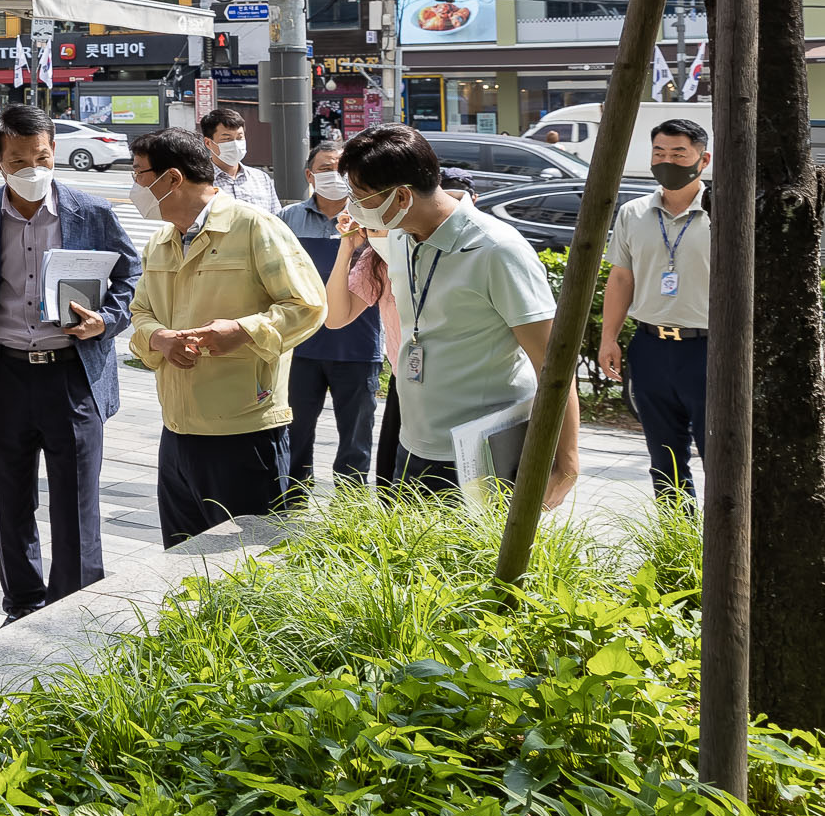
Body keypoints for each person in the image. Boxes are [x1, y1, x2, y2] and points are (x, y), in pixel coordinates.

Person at [0, 104, 139, 620]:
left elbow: (130, 276)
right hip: (4, 373)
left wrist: (107, 319)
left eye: (43, 157)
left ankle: (75, 610)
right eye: (21, 160)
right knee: (10, 500)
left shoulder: (89, 212)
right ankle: (23, 605)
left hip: (72, 374)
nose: (35, 169)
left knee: (76, 503)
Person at [321, 124, 579, 504]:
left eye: (360, 198)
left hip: (485, 452)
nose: (352, 209)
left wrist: (567, 462)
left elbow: (553, 362)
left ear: (402, 196)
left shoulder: (496, 249)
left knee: (477, 563)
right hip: (412, 442)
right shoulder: (400, 235)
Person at [126, 127, 327, 545]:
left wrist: (242, 330)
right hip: (178, 429)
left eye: (139, 173)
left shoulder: (254, 227)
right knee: (183, 561)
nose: (135, 185)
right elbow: (140, 312)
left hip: (244, 430)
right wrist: (158, 338)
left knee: (251, 569)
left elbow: (307, 306)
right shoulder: (162, 240)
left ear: (172, 179)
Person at [601, 117, 712, 498]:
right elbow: (621, 279)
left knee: (721, 456)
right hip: (650, 347)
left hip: (709, 350)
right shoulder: (633, 213)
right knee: (663, 458)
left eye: (679, 154)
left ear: (704, 160)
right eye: (659, 153)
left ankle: (726, 549)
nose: (668, 161)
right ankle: (676, 541)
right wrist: (609, 338)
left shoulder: (725, 212)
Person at [276, 143, 386, 498]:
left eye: (341, 169)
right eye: (325, 168)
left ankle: (350, 506)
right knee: (295, 428)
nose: (334, 176)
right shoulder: (288, 219)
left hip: (357, 346)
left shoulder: (372, 219)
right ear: (310, 176)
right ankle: (292, 499)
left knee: (356, 435)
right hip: (301, 346)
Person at [199, 106, 280, 214]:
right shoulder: (198, 181)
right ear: (208, 143)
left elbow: (276, 220)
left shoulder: (261, 179)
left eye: (239, 137)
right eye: (227, 139)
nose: (235, 144)